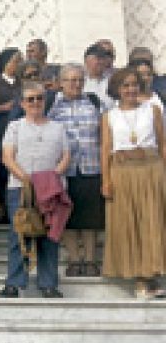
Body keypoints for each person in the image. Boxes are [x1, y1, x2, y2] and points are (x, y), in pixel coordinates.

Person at [0, 81, 70, 298]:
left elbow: (66, 156)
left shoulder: (58, 127)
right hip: (22, 188)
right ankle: (14, 282)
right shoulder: (15, 127)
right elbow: (7, 157)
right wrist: (27, 179)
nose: (36, 102)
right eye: (30, 99)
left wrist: (53, 176)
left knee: (50, 235)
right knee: (19, 233)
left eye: (39, 98)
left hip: (51, 189)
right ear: (22, 103)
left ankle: (48, 284)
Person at [101, 68, 166, 299]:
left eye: (134, 84)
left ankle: (151, 274)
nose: (131, 89)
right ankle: (139, 278)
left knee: (152, 223)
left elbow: (163, 144)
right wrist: (106, 180)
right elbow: (106, 150)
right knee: (131, 224)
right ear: (117, 89)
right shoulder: (109, 116)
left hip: (151, 170)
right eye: (125, 85)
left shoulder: (154, 110)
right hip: (123, 173)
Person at [47, 63, 104, 277]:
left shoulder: (94, 103)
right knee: (67, 215)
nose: (76, 84)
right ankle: (73, 259)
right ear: (61, 83)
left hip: (91, 167)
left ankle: (90, 260)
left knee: (90, 216)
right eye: (71, 80)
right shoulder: (52, 106)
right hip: (64, 169)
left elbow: (104, 134)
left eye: (79, 80)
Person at [0, 48, 23, 222]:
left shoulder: (22, 84)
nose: (18, 64)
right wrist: (2, 108)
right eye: (15, 61)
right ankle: (4, 209)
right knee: (2, 172)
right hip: (0, 131)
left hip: (21, 134)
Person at [83, 44, 114, 111]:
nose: (101, 62)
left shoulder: (113, 81)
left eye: (103, 58)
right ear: (86, 61)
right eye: (97, 58)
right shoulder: (79, 82)